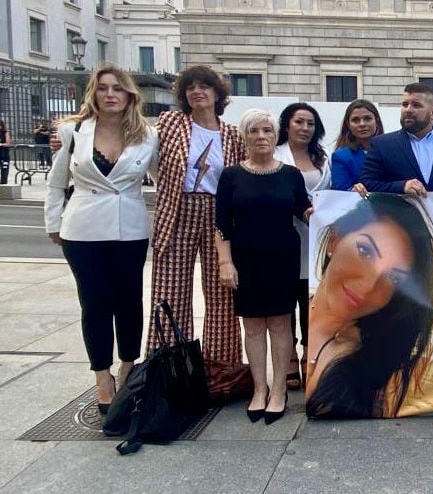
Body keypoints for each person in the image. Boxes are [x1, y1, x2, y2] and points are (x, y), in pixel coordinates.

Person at [43, 66, 158, 413]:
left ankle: (127, 365)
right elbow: (56, 182)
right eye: (103, 88)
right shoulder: (72, 131)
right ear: (93, 94)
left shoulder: (148, 136)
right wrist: (53, 223)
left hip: (129, 228)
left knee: (128, 299)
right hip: (83, 228)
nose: (110, 95)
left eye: (118, 89)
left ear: (129, 96)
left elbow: (161, 177)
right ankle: (101, 374)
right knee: (94, 303)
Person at [305, 194, 433, 419]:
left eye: (394, 277)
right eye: (366, 251)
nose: (368, 286)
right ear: (335, 240)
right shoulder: (293, 318)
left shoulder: (370, 365)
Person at [216, 109, 312, 425]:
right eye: (254, 131)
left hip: (282, 258)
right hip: (245, 260)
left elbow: (305, 211)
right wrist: (225, 262)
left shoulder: (290, 174)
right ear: (244, 137)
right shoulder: (231, 176)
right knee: (253, 326)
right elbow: (221, 225)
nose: (261, 136)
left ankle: (280, 391)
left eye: (267, 131)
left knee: (281, 325)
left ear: (275, 136)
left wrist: (341, 207)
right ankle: (260, 389)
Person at [148, 65, 246, 364]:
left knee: (222, 293)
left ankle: (220, 367)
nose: (197, 92)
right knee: (170, 290)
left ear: (217, 93)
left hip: (219, 212)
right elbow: (133, 133)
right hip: (179, 209)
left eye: (204, 86)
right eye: (190, 87)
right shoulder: (171, 124)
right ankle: (168, 367)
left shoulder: (232, 135)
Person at [273, 103, 331, 390]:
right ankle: (289, 361)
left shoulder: (324, 157)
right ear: (287, 125)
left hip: (315, 239)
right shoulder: (274, 154)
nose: (305, 128)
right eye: (299, 122)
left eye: (310, 123)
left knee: (312, 302)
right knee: (285, 304)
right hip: (282, 237)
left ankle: (310, 354)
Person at [360, 83, 433, 197]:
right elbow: (367, 184)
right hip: (399, 216)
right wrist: (402, 187)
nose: (408, 110)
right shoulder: (382, 145)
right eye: (404, 104)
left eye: (416, 105)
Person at [331, 99, 384, 195]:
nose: (362, 124)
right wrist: (353, 191)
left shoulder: (390, 149)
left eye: (367, 119)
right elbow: (339, 192)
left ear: (377, 120)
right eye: (356, 120)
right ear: (348, 125)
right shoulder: (341, 157)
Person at [0, 119, 10, 184]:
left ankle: (3, 184)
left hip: (4, 154)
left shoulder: (5, 132)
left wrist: (1, 144)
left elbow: (8, 143)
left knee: (4, 170)